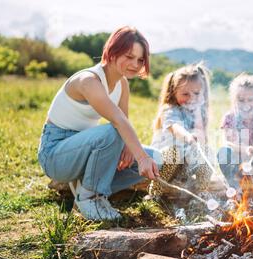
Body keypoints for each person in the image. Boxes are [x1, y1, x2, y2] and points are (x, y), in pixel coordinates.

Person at [37, 26, 161, 221]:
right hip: (55, 154)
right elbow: (118, 121)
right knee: (114, 133)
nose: (135, 64)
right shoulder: (88, 81)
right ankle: (89, 197)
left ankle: (87, 186)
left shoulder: (122, 84)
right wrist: (140, 156)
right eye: (129, 56)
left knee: (157, 158)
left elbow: (124, 121)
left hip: (84, 149)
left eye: (140, 59)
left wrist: (133, 151)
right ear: (112, 52)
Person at [148, 63, 213, 198]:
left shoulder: (198, 111)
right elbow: (175, 127)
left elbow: (202, 137)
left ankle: (202, 192)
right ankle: (154, 193)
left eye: (196, 93)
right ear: (173, 92)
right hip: (163, 163)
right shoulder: (170, 110)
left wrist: (197, 114)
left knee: (207, 152)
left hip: (185, 166)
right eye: (185, 94)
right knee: (175, 153)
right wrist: (187, 136)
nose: (191, 98)